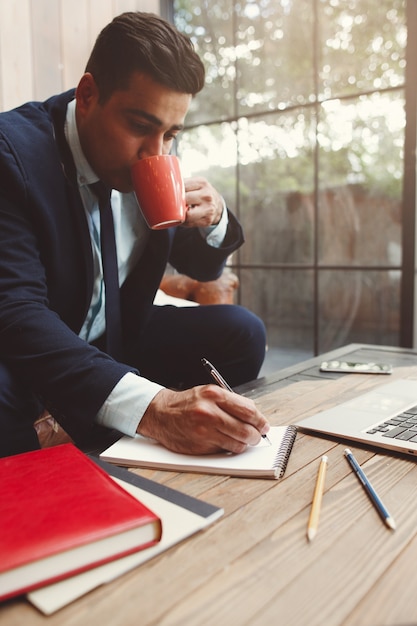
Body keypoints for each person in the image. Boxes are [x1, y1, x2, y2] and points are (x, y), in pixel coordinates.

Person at [0, 11, 268, 458]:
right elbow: (16, 313)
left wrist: (216, 216)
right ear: (88, 95)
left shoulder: (151, 158)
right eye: (141, 127)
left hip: (117, 335)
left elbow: (204, 265)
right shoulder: (13, 156)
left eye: (171, 134)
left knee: (242, 331)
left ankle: (171, 433)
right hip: (36, 345)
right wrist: (155, 408)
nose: (155, 153)